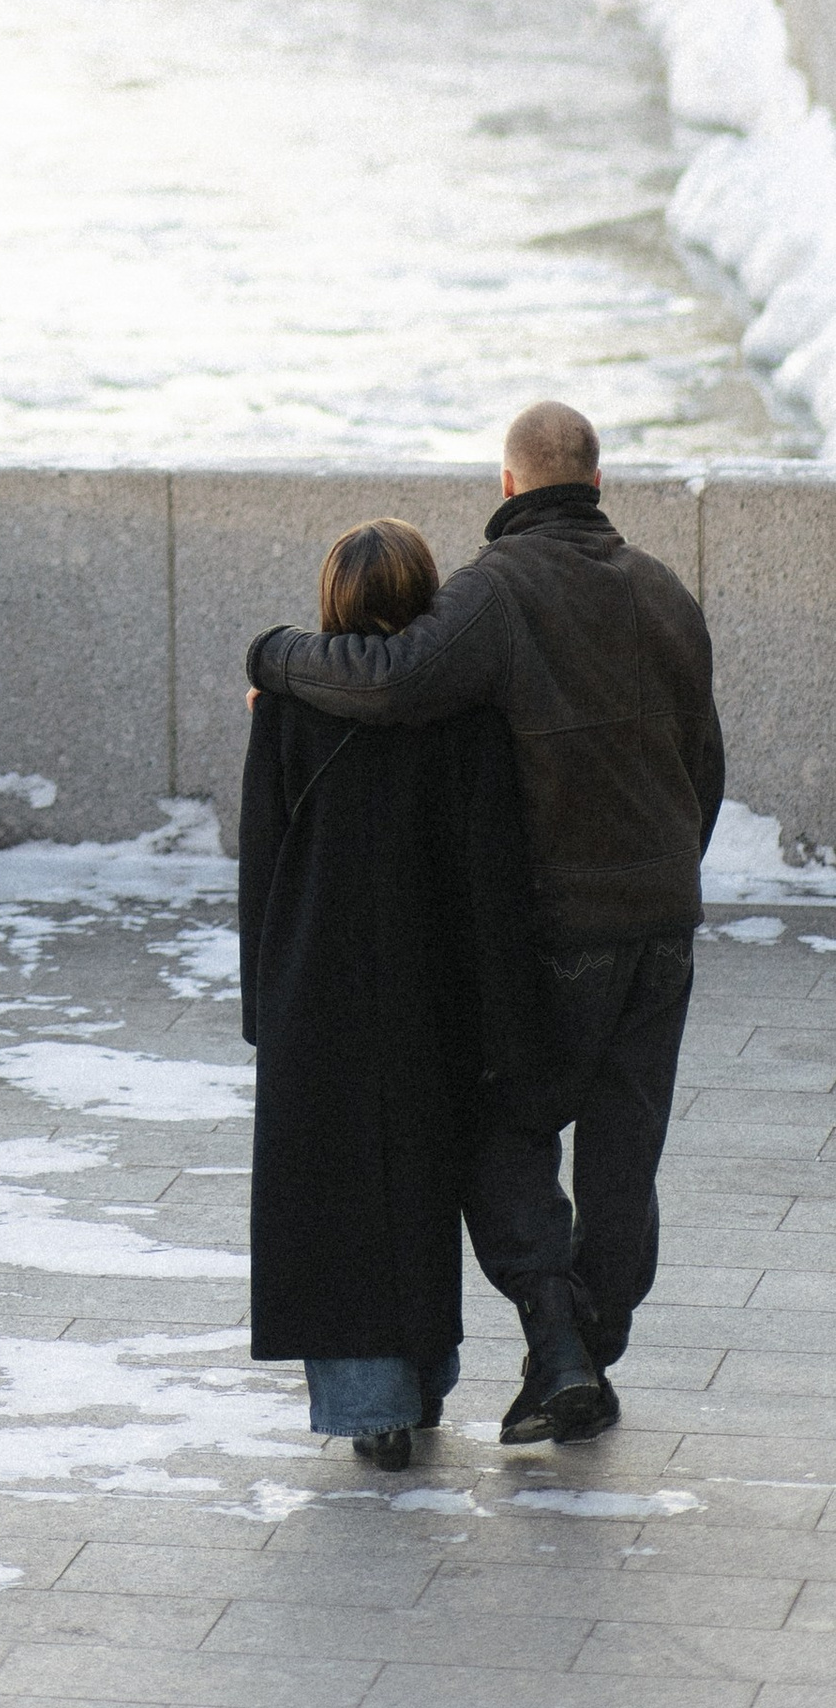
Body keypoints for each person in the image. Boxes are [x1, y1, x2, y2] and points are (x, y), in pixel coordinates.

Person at [247, 403, 724, 1447]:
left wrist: (276, 656)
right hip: (663, 922)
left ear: (508, 486)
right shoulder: (664, 590)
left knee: (496, 1133)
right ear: (596, 480)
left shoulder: (499, 589)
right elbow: (706, 769)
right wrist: (665, 878)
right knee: (620, 1157)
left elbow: (390, 678)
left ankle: (558, 1343)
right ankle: (586, 1358)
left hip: (562, 928)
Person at [243, 518, 546, 1467]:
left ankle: (369, 1408)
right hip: (434, 985)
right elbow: (493, 874)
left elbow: (265, 859)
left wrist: (263, 1000)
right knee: (417, 1186)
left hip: (318, 983)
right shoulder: (464, 715)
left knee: (330, 1196)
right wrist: (507, 1013)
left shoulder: (287, 709)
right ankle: (420, 1384)